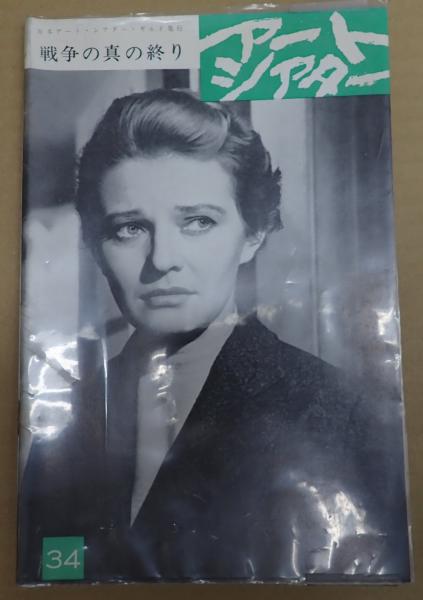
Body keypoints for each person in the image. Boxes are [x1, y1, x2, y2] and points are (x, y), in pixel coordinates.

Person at [19, 89, 410, 583]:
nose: (162, 259)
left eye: (198, 222)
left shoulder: (342, 411)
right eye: (129, 228)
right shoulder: (68, 413)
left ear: (253, 234)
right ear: (97, 246)